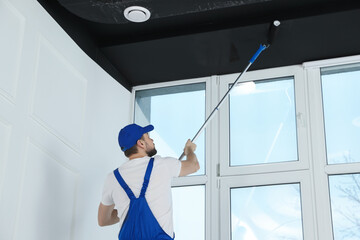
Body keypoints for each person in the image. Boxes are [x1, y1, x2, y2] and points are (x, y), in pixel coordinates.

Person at [98, 123, 199, 239]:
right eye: (148, 137)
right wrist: (190, 150)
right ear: (140, 143)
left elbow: (103, 220)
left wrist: (124, 211)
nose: (152, 140)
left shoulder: (112, 178)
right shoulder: (161, 164)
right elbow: (194, 165)